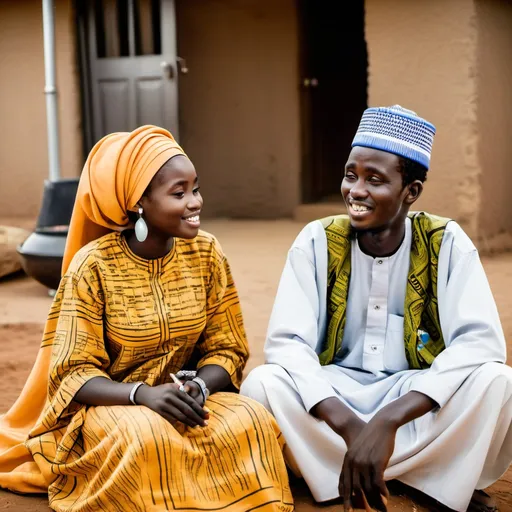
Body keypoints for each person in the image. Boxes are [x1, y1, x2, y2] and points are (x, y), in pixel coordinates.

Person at [0, 126, 293, 511]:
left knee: (252, 421)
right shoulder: (93, 266)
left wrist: (199, 389)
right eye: (179, 193)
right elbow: (71, 374)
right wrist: (143, 396)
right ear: (139, 203)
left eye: (196, 188)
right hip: (113, 409)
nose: (194, 202)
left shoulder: (206, 253)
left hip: (184, 401)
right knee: (147, 437)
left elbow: (228, 347)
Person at [241, 105, 512, 512]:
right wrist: (352, 426)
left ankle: (395, 475)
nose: (356, 190)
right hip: (336, 394)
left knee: (497, 381)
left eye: (375, 180)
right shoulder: (317, 240)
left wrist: (388, 421)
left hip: (414, 393)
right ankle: (425, 475)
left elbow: (479, 342)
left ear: (411, 191)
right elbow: (287, 344)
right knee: (262, 385)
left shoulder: (446, 241)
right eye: (351, 175)